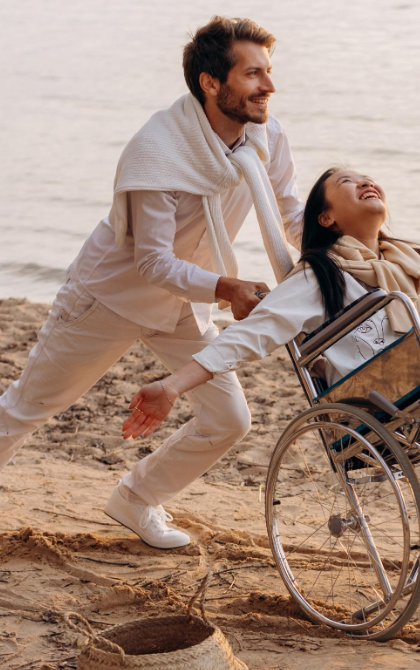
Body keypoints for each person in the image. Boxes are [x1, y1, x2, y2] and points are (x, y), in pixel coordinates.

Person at [0, 17, 304, 549]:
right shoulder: (159, 147)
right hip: (107, 300)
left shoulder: (266, 136)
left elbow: (292, 215)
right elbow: (152, 263)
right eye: (253, 74)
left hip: (185, 306)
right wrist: (229, 288)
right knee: (29, 408)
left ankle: (135, 499)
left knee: (229, 419)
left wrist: (358, 244)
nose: (269, 86)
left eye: (269, 72)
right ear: (211, 82)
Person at [123, 167, 420, 442]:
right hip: (384, 404)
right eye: (348, 181)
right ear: (326, 218)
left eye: (367, 178)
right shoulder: (320, 275)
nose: (366, 182)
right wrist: (172, 386)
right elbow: (251, 334)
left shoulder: (409, 260)